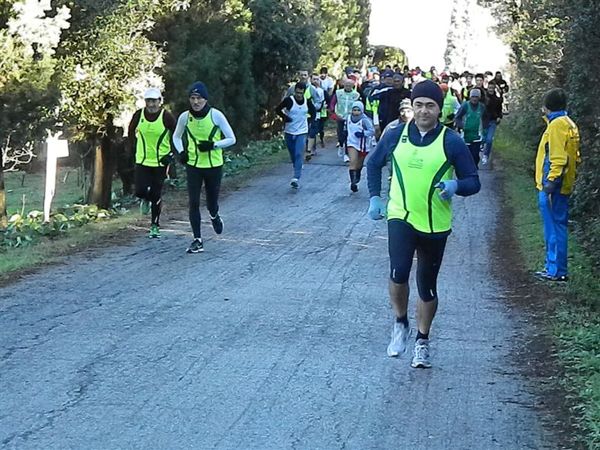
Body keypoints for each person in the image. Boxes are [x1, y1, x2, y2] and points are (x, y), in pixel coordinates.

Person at [366, 80, 480, 368]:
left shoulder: (451, 141)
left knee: (427, 286)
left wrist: (455, 185)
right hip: (400, 215)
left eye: (430, 105)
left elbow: (473, 181)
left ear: (439, 109)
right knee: (399, 272)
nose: (424, 111)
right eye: (419, 105)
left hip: (434, 223)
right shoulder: (395, 133)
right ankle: (400, 323)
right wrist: (375, 198)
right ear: (411, 106)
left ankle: (422, 341)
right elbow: (373, 163)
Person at [173, 81, 237, 253]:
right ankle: (197, 239)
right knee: (193, 202)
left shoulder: (216, 115)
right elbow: (176, 136)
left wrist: (213, 145)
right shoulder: (185, 117)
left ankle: (215, 216)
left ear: (205, 99)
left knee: (211, 203)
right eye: (192, 98)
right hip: (193, 165)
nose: (195, 102)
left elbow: (232, 138)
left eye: (199, 98)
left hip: (213, 165)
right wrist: (181, 152)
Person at [534, 88, 580, 282]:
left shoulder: (556, 126)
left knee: (552, 228)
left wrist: (551, 182)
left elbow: (558, 158)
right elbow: (575, 157)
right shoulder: (569, 123)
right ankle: (557, 268)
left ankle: (555, 270)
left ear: (547, 107)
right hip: (564, 184)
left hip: (553, 185)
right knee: (559, 225)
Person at [127, 88, 176, 238]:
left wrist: (171, 155)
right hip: (142, 160)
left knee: (156, 193)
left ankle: (155, 225)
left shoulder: (166, 117)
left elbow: (177, 135)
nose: (151, 104)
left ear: (160, 102)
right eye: (149, 101)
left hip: (160, 162)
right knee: (140, 191)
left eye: (154, 101)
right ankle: (145, 200)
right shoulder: (138, 115)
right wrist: (132, 148)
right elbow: (130, 132)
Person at [276, 82, 316, 189]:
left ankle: (296, 177)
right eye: (297, 93)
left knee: (299, 152)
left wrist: (309, 120)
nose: (299, 95)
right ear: (295, 91)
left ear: (303, 92)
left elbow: (313, 113)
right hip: (289, 131)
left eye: (301, 93)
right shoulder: (289, 101)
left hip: (302, 131)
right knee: (292, 152)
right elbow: (277, 109)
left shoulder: (307, 102)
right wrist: (285, 118)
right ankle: (296, 165)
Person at [344, 101, 374, 192]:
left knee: (359, 164)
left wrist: (363, 133)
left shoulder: (365, 120)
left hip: (363, 144)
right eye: (354, 110)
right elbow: (346, 127)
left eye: (358, 110)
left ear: (362, 111)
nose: (356, 112)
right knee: (352, 161)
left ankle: (357, 175)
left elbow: (371, 131)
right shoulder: (348, 118)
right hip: (352, 143)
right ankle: (353, 182)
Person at [454, 88, 486, 167]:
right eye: (473, 97)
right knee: (467, 155)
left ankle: (474, 170)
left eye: (476, 97)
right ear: (470, 97)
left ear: (479, 98)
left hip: (477, 135)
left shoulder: (482, 107)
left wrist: (484, 131)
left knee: (475, 155)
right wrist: (462, 126)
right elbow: (457, 117)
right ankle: (468, 171)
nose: (474, 99)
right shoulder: (465, 105)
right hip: (466, 135)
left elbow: (485, 119)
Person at [332, 79, 361, 157]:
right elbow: (333, 103)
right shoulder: (338, 93)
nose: (347, 87)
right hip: (340, 116)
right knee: (341, 134)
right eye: (346, 85)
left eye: (349, 85)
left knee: (348, 135)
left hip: (350, 118)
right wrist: (333, 114)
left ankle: (347, 154)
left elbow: (359, 105)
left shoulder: (356, 94)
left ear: (352, 86)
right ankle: (341, 145)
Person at [481, 82, 503, 165]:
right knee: (483, 138)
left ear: (494, 89)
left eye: (492, 88)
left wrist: (499, 117)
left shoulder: (497, 99)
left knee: (489, 140)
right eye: (489, 88)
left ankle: (486, 155)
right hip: (484, 121)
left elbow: (499, 110)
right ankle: (480, 148)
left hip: (493, 121)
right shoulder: (484, 98)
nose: (490, 90)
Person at [306, 74, 325, 160]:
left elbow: (321, 102)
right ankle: (308, 149)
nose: (315, 81)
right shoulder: (306, 88)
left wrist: (315, 109)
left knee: (313, 132)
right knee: (307, 132)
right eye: (314, 79)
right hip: (304, 115)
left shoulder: (321, 91)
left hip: (316, 114)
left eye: (317, 79)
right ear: (310, 80)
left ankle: (311, 149)